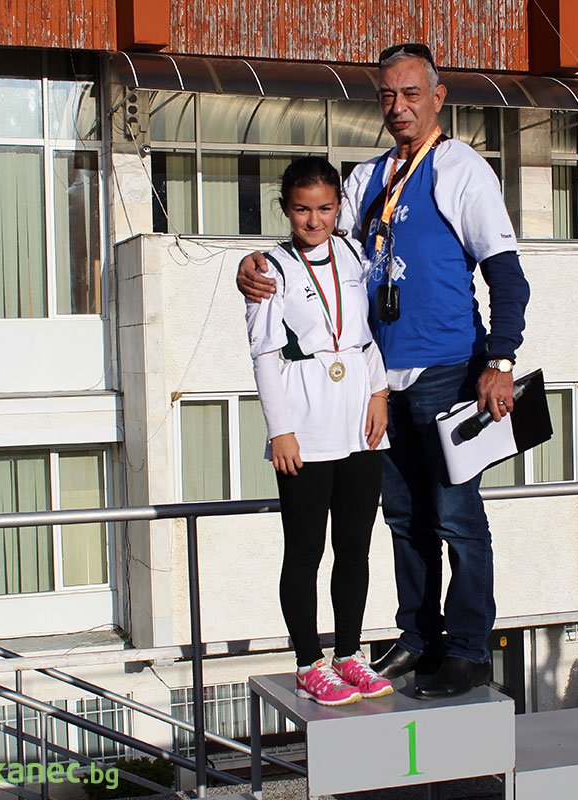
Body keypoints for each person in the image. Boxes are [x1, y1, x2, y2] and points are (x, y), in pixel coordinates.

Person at [239, 44, 530, 700]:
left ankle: (468, 648)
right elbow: (316, 244)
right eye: (387, 96)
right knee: (401, 518)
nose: (399, 107)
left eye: (411, 93)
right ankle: (417, 635)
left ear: (438, 96)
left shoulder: (461, 169)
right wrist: (253, 266)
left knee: (456, 517)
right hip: (378, 383)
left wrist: (500, 359)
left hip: (448, 369)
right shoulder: (366, 177)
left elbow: (507, 275)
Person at [244, 156, 394, 706]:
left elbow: (366, 335)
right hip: (304, 425)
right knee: (305, 550)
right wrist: (280, 430)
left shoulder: (354, 254)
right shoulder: (270, 270)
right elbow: (264, 355)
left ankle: (349, 654)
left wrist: (379, 394)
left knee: (354, 547)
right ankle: (309, 662)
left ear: (338, 208)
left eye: (325, 208)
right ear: (286, 209)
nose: (315, 220)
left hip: (359, 420)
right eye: (303, 210)